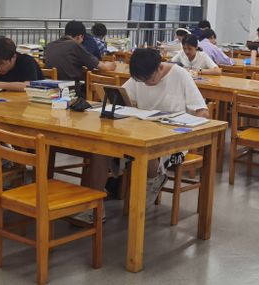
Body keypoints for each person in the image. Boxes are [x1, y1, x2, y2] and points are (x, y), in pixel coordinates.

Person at [123, 49, 209, 209]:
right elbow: (122, 96)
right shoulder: (142, 74)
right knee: (110, 149)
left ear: (160, 67)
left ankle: (154, 179)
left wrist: (188, 130)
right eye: (142, 80)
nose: (146, 83)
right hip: (145, 134)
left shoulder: (180, 75)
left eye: (149, 79)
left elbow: (202, 112)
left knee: (143, 149)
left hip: (174, 142)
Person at [43, 20, 116, 87]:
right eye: (82, 39)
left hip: (51, 89)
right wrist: (112, 64)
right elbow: (103, 67)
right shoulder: (74, 45)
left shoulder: (49, 45)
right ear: (79, 37)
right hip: (70, 91)